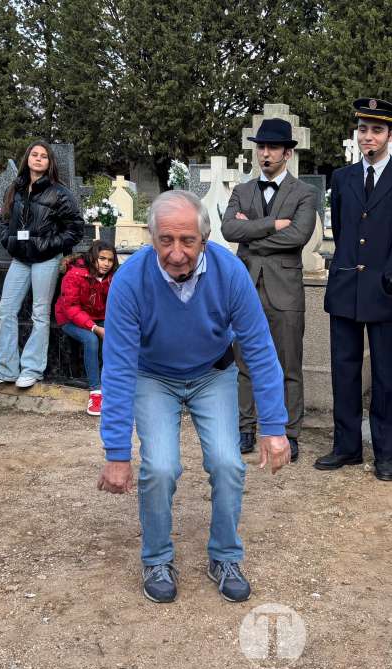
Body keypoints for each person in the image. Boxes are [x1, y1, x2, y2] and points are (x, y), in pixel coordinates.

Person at [97, 190, 290, 604]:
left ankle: (224, 556)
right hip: (154, 376)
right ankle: (156, 558)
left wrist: (273, 426)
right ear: (152, 239)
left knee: (226, 462)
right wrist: (116, 451)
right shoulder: (130, 281)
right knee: (161, 467)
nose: (177, 253)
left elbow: (258, 347)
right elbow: (116, 367)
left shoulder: (230, 272)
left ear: (205, 238)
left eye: (187, 240)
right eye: (166, 240)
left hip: (212, 373)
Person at [313, 98, 392, 482]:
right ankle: (346, 447)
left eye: (377, 130)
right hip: (346, 286)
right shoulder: (342, 178)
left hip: (386, 288)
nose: (368, 137)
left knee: (383, 375)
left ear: (391, 135)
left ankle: (383, 452)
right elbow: (345, 231)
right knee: (343, 371)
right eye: (363, 129)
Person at [220, 118, 317, 464]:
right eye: (260, 147)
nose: (265, 153)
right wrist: (272, 225)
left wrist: (253, 234)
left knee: (288, 363)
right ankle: (246, 427)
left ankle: (290, 432)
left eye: (272, 148)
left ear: (287, 153)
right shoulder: (242, 191)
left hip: (285, 290)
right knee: (243, 362)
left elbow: (299, 236)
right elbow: (229, 229)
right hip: (245, 287)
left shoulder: (305, 193)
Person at [0, 141, 84, 390]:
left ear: (49, 163)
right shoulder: (15, 188)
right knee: (6, 309)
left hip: (46, 259)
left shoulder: (59, 193)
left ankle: (32, 369)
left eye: (43, 156)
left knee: (39, 313)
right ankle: (5, 368)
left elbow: (75, 228)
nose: (38, 159)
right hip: (20, 259)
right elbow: (5, 218)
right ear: (27, 158)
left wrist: (49, 245)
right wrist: (9, 240)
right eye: (34, 155)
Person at [55, 240, 117, 416]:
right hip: (69, 319)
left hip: (100, 317)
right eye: (102, 258)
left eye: (110, 260)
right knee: (91, 340)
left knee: (116, 337)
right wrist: (94, 328)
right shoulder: (74, 275)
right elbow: (71, 307)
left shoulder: (112, 277)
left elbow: (116, 303)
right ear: (92, 257)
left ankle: (112, 385)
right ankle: (96, 391)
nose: (106, 264)